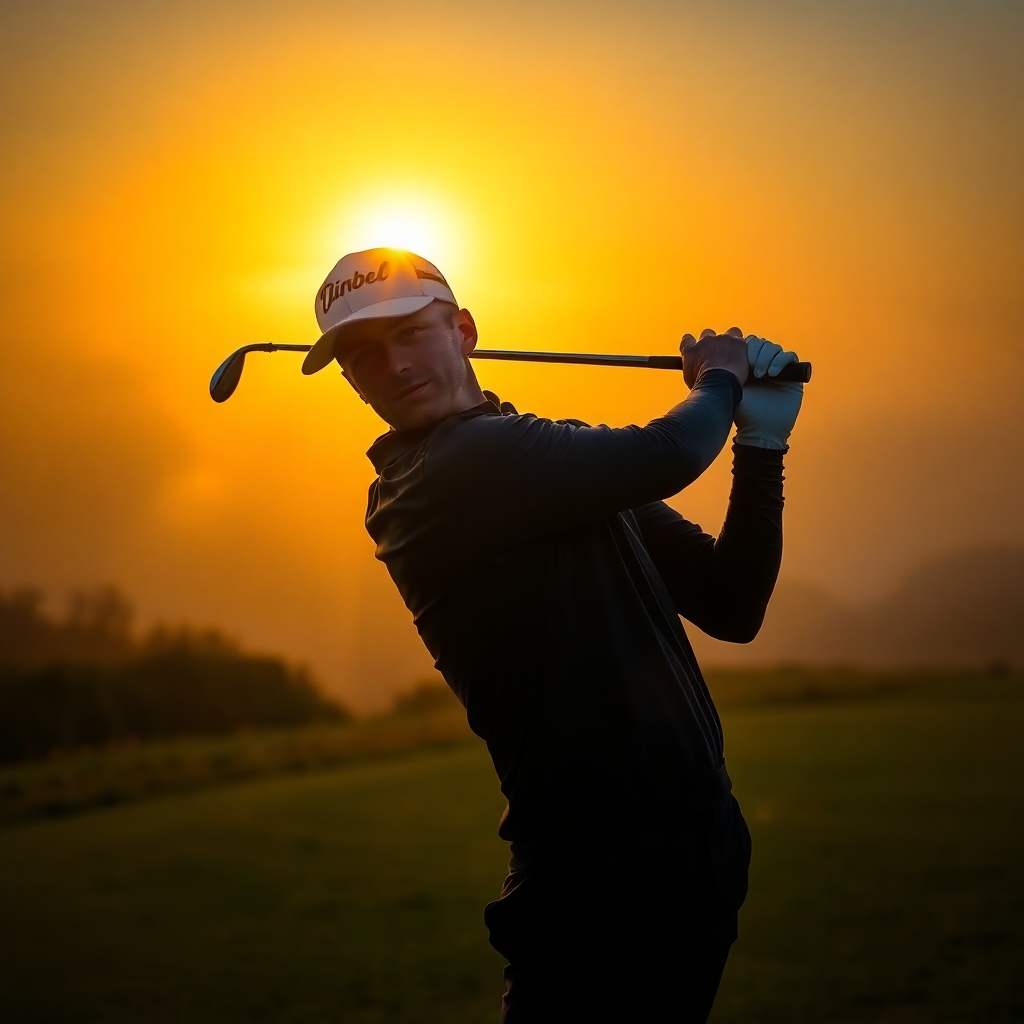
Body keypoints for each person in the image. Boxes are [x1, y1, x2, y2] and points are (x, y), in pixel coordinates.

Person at [302, 248, 804, 1023]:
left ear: (464, 330)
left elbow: (731, 605)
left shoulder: (544, 464)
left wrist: (761, 450)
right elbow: (671, 452)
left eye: (411, 335)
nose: (393, 367)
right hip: (597, 883)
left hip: (693, 855)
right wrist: (721, 377)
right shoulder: (440, 477)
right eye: (364, 358)